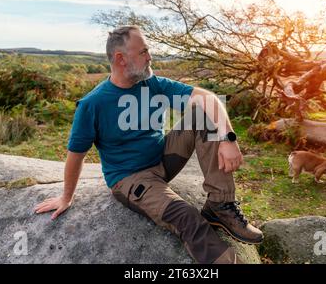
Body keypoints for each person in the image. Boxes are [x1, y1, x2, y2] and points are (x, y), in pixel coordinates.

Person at [34, 25, 263, 264]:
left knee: (203, 114)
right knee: (187, 216)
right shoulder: (93, 104)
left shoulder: (152, 84)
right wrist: (66, 197)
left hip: (162, 160)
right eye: (143, 52)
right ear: (121, 59)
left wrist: (228, 138)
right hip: (131, 179)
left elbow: (207, 98)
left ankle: (220, 204)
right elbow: (76, 155)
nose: (150, 57)